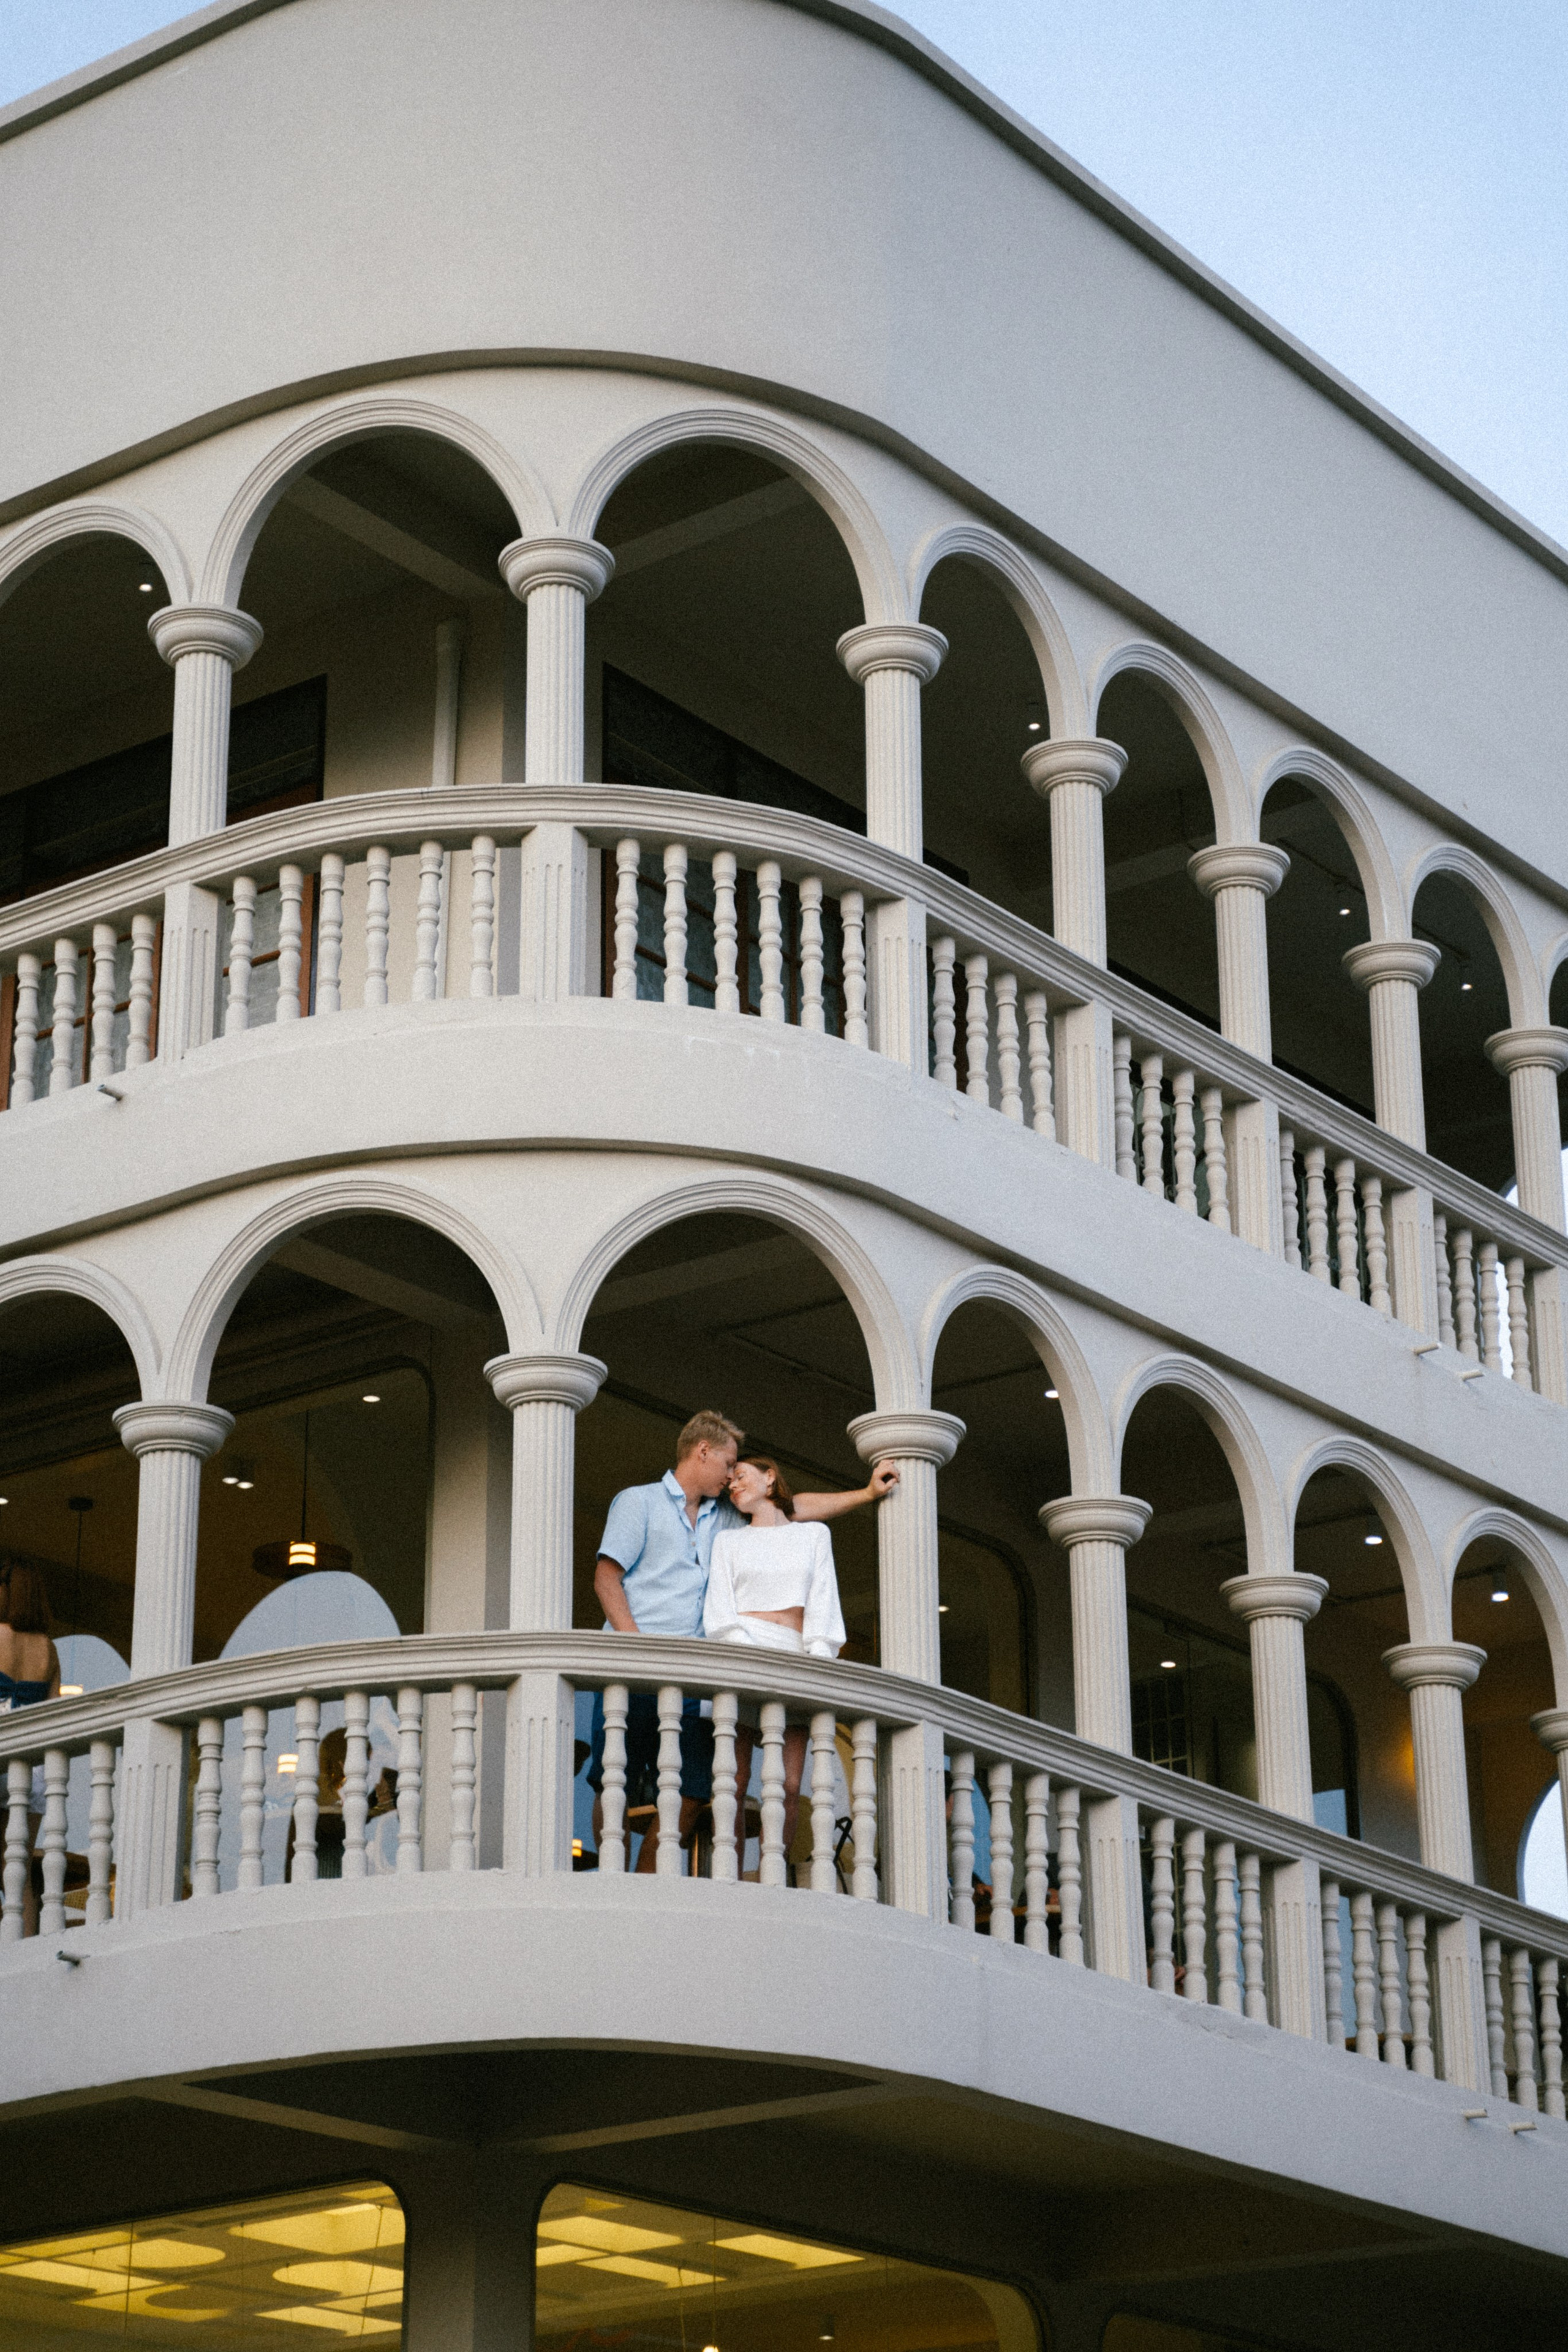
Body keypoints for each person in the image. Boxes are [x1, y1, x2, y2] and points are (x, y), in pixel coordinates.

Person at [589, 1410, 896, 1872]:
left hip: (695, 1675)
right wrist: (637, 1654)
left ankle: (643, 1879)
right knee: (614, 1781)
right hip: (634, 1663)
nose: (733, 1475)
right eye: (728, 1463)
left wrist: (869, 1493)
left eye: (740, 1469)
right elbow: (606, 1579)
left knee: (694, 1789)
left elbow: (794, 1508)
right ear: (703, 1451)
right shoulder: (639, 1502)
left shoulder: (727, 1516)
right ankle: (611, 1878)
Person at [704, 1453, 845, 1869]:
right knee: (735, 1779)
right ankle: (727, 1869)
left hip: (796, 1653)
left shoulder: (813, 1535)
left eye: (742, 1476)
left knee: (787, 1783)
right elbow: (720, 1608)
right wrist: (736, 1647)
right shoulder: (728, 1541)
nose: (733, 1485)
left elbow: (822, 1597)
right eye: (729, 1482)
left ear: (770, 1478)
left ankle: (772, 1868)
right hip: (744, 1650)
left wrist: (819, 1655)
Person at [0, 1562, 61, 1939]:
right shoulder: (48, 1650)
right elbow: (55, 1713)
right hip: (32, 1766)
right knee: (17, 1868)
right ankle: (22, 1948)